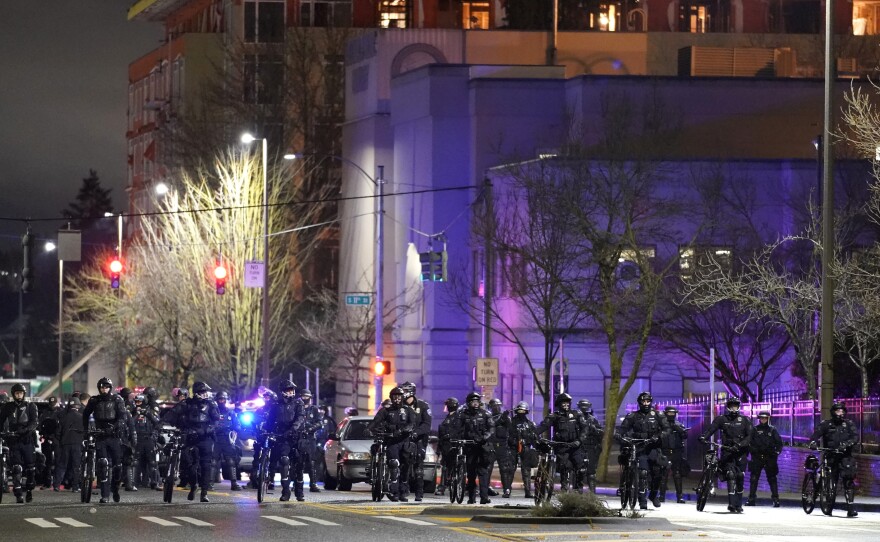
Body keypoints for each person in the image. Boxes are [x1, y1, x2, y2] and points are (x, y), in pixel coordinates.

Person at [166, 381, 221, 502]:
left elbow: (217, 421)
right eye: (202, 392)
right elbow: (172, 413)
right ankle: (193, 485)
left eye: (205, 391)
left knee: (206, 465)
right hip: (190, 438)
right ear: (196, 393)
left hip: (205, 438)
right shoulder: (187, 404)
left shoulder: (211, 404)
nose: (205, 394)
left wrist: (207, 430)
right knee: (189, 465)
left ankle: (204, 493)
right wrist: (162, 423)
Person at [615, 391, 670, 509]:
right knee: (642, 473)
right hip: (639, 447)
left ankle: (654, 494)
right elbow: (622, 429)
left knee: (657, 472)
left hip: (653, 447)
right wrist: (620, 436)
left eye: (648, 401)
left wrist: (658, 436)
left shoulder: (658, 415)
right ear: (639, 402)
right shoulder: (633, 416)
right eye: (644, 401)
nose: (646, 403)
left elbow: (666, 429)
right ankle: (642, 500)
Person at [699, 396, 752, 513]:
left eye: (736, 406)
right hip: (727, 451)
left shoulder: (745, 420)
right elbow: (711, 429)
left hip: (740, 452)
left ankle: (739, 504)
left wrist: (740, 445)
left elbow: (750, 437)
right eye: (732, 406)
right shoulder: (721, 419)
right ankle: (732, 504)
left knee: (740, 476)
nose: (734, 408)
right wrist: (704, 437)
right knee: (730, 475)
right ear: (728, 407)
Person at [82, 377, 130, 504]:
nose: (104, 389)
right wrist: (85, 430)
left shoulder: (117, 399)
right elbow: (85, 414)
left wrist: (114, 427)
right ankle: (104, 495)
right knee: (103, 464)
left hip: (114, 435)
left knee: (117, 466)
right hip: (100, 435)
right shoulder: (94, 400)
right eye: (102, 387)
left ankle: (115, 488)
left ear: (110, 388)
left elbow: (122, 417)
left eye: (106, 387)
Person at [809, 402, 859, 517]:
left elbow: (855, 437)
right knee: (832, 479)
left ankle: (850, 508)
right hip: (831, 455)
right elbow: (817, 433)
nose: (840, 413)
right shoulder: (826, 424)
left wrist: (846, 444)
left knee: (848, 480)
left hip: (845, 456)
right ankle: (829, 503)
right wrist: (813, 442)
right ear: (833, 412)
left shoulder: (849, 424)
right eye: (838, 411)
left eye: (842, 411)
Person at [368, 387, 416, 502]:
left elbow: (412, 424)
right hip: (391, 441)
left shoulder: (408, 410)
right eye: (395, 397)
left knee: (405, 466)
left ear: (402, 397)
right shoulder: (386, 410)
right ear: (391, 397)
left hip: (404, 441)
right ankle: (393, 491)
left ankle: (403, 492)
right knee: (394, 464)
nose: (397, 399)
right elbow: (376, 421)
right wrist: (369, 429)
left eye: (399, 396)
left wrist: (404, 430)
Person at [537, 392, 588, 493]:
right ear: (559, 404)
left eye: (568, 403)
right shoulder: (554, 416)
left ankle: (578, 488)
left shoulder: (576, 414)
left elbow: (585, 429)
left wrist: (579, 440)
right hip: (561, 446)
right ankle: (564, 488)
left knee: (580, 467)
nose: (566, 405)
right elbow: (544, 426)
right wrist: (534, 434)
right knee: (565, 466)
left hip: (575, 445)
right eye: (563, 403)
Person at [264, 380, 305, 501]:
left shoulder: (299, 403)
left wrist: (293, 428)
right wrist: (266, 430)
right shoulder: (276, 404)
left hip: (297, 436)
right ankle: (285, 491)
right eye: (288, 390)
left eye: (292, 390)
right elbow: (270, 420)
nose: (290, 392)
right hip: (282, 436)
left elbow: (300, 417)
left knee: (299, 464)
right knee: (284, 461)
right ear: (282, 392)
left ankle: (299, 491)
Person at [452, 392, 495, 504]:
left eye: (477, 401)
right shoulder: (463, 415)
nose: (475, 404)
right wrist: (457, 439)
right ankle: (471, 498)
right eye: (473, 402)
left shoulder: (486, 414)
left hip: (482, 447)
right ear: (468, 403)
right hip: (469, 447)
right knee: (470, 473)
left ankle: (484, 497)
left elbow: (491, 429)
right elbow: (457, 429)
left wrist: (484, 438)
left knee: (483, 472)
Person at [0, 383, 39, 503]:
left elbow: (34, 422)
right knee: (16, 468)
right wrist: (2, 433)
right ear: (13, 394)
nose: (19, 395)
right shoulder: (8, 406)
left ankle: (29, 490)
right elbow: (1, 421)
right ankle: (18, 494)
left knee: (30, 469)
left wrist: (26, 430)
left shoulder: (30, 406)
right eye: (17, 393)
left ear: (24, 394)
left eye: (21, 393)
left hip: (27, 439)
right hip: (13, 439)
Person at [400, 381, 432, 501]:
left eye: (406, 391)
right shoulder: (401, 407)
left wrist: (416, 433)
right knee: (403, 465)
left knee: (419, 466)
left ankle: (419, 493)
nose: (404, 394)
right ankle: (403, 490)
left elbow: (427, 424)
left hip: (419, 440)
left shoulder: (423, 406)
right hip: (404, 439)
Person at [746, 410, 783, 507]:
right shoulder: (754, 429)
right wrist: (752, 451)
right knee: (754, 479)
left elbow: (779, 443)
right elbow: (749, 442)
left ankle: (776, 499)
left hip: (770, 457)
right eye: (762, 418)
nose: (763, 420)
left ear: (768, 419)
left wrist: (777, 453)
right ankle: (751, 499)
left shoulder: (772, 430)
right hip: (757, 457)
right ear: (759, 419)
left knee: (772, 478)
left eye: (765, 418)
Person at [486, 398, 516, 498]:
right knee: (487, 468)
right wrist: (501, 418)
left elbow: (511, 428)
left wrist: (505, 418)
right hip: (490, 446)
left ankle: (507, 489)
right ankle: (485, 488)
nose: (497, 408)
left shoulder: (505, 417)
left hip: (502, 446)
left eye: (498, 405)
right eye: (495, 406)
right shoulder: (488, 417)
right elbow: (492, 424)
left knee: (504, 469)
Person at [213, 391, 242, 491]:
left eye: (223, 399)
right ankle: (209, 484)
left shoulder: (231, 412)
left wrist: (236, 428)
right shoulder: (213, 411)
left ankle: (234, 483)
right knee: (213, 461)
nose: (221, 401)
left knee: (231, 461)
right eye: (220, 399)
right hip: (215, 438)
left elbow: (237, 424)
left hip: (227, 438)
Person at [131, 393, 161, 491]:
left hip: (148, 439)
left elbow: (157, 424)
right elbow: (129, 423)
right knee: (135, 462)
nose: (138, 404)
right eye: (136, 402)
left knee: (152, 462)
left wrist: (147, 414)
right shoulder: (132, 411)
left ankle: (154, 482)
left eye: (139, 402)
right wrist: (136, 413)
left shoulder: (150, 412)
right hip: (137, 439)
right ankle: (134, 482)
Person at [659, 405, 688, 503]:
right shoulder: (661, 425)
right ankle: (662, 496)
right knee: (663, 474)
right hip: (665, 452)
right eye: (669, 413)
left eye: (673, 413)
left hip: (676, 452)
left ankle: (679, 496)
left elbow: (685, 435)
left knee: (677, 474)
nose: (671, 415)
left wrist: (677, 428)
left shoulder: (678, 424)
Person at [55, 397, 84, 492]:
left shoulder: (63, 418)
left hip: (65, 444)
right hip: (77, 444)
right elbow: (85, 432)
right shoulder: (81, 417)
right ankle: (75, 486)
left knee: (62, 465)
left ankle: (56, 485)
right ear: (78, 406)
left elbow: (58, 432)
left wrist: (61, 441)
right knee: (76, 466)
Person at [297, 389, 323, 493]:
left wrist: (310, 429)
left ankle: (313, 483)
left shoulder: (314, 409)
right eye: (303, 396)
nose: (305, 398)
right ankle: (298, 482)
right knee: (298, 461)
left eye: (307, 396)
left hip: (310, 437)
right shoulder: (297, 408)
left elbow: (320, 423)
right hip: (298, 437)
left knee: (311, 461)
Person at [510, 401, 537, 498]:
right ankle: (507, 490)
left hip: (525, 448)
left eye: (523, 411)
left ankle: (528, 491)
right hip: (512, 448)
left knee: (526, 471)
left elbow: (535, 438)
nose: (521, 412)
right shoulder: (511, 422)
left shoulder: (530, 424)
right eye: (519, 411)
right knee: (510, 469)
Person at [576, 399, 604, 494]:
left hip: (591, 447)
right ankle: (578, 492)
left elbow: (601, 433)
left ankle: (592, 493)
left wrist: (594, 429)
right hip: (578, 447)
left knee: (591, 472)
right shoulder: (574, 419)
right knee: (579, 470)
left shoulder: (593, 419)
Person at [435, 397, 460, 496]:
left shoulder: (457, 418)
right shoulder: (448, 417)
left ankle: (446, 485)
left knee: (450, 466)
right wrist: (439, 448)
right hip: (445, 445)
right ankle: (444, 484)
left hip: (453, 445)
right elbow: (441, 435)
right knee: (445, 466)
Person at [38, 397, 61, 489]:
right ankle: (47, 482)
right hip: (47, 439)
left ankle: (57, 483)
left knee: (58, 461)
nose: (52, 406)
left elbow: (62, 426)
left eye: (54, 404)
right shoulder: (45, 412)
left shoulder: (61, 412)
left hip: (57, 439)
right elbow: (40, 425)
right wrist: (42, 435)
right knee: (47, 462)